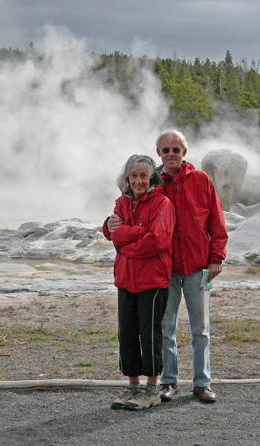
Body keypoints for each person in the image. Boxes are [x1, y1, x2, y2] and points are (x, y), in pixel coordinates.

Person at [155, 130, 228, 404]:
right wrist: (111, 224)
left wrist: (217, 258)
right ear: (159, 154)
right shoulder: (154, 183)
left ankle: (202, 383)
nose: (171, 154)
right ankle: (168, 381)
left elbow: (216, 221)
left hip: (200, 267)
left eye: (176, 149)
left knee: (201, 328)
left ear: (184, 152)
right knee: (166, 327)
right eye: (166, 150)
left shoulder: (201, 179)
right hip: (166, 268)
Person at [103, 154, 175, 410]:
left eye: (144, 175)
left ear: (152, 177)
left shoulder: (162, 203)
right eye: (134, 175)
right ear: (127, 178)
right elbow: (113, 234)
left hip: (153, 279)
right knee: (127, 332)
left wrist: (126, 246)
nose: (138, 181)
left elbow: (157, 240)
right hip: (126, 277)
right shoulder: (122, 203)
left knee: (149, 333)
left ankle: (152, 389)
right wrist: (112, 228)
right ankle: (133, 386)